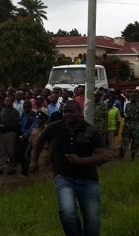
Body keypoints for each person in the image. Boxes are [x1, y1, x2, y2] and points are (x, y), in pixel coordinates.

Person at [30, 101, 110, 236]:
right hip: (64, 177)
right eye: (64, 111)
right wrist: (34, 161)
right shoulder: (55, 127)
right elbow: (40, 141)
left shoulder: (89, 130)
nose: (67, 114)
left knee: (92, 220)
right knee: (67, 212)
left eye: (70, 111)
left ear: (79, 112)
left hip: (88, 179)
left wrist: (81, 161)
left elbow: (104, 156)